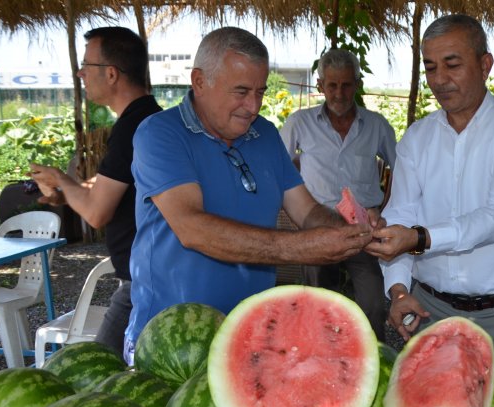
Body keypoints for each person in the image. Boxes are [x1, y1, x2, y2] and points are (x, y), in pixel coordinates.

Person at [126, 27, 373, 360]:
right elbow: (193, 229)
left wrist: (348, 230)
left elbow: (306, 211)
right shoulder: (160, 133)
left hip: (250, 337)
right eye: (241, 91)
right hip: (171, 341)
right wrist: (302, 249)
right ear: (199, 81)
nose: (253, 106)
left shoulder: (266, 134)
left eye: (260, 91)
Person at [365, 15, 494, 354]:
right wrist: (399, 292)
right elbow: (401, 214)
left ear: (485, 65)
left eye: (452, 65)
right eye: (431, 68)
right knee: (427, 406)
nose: (440, 80)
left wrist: (419, 238)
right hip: (428, 310)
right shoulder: (418, 137)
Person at [30, 27, 162, 356]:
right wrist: (68, 191)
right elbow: (106, 191)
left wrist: (62, 179)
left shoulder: (133, 127)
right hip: (150, 274)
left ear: (112, 74)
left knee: (102, 371)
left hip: (143, 283)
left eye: (86, 65)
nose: (80, 73)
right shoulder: (149, 118)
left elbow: (96, 211)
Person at [279, 49, 396, 341]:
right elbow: (279, 170)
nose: (339, 93)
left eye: (346, 84)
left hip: (364, 229)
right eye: (332, 85)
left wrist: (386, 209)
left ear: (357, 84)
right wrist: (295, 213)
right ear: (320, 86)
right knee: (319, 304)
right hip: (317, 226)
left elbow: (402, 170)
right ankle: (322, 359)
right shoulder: (300, 123)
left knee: (372, 305)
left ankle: (373, 360)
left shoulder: (377, 125)